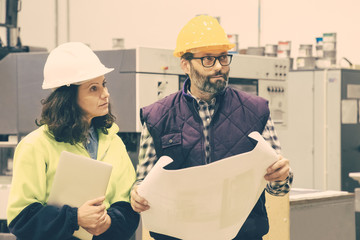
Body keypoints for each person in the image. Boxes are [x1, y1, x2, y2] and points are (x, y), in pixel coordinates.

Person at [130, 15, 293, 240]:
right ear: (185, 65)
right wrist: (137, 195)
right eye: (208, 59)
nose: (219, 67)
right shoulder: (157, 117)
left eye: (223, 58)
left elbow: (279, 189)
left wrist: (281, 176)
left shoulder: (256, 111)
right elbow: (143, 183)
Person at [6, 42, 139, 240]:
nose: (105, 93)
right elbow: (22, 219)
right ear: (68, 98)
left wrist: (109, 222)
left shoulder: (113, 142)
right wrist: (74, 218)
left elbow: (127, 207)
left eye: (104, 84)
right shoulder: (35, 146)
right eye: (93, 88)